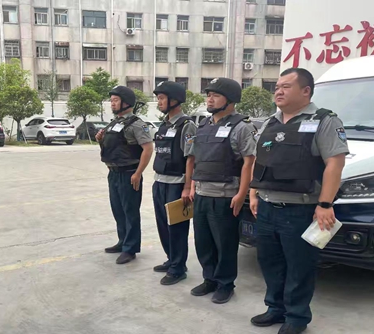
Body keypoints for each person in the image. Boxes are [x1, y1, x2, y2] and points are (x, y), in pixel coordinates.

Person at [249, 68, 348, 334]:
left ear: (306, 91)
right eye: (277, 87)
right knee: (269, 262)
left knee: (299, 266)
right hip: (267, 206)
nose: (278, 91)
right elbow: (260, 160)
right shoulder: (270, 123)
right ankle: (275, 309)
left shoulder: (325, 120)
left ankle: (296, 317)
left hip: (301, 209)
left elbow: (335, 163)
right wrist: (253, 193)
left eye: (286, 86)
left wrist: (325, 203)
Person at [188, 78, 256, 304]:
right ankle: (209, 279)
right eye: (208, 95)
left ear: (231, 100)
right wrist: (191, 186)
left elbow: (249, 162)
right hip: (202, 193)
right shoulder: (203, 125)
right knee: (203, 242)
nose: (209, 99)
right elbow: (197, 159)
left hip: (225, 196)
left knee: (225, 244)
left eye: (215, 95)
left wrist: (241, 194)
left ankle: (226, 284)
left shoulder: (242, 127)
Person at [96, 86, 153, 264]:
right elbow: (113, 147)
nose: (112, 104)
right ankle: (123, 241)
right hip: (113, 173)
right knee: (118, 210)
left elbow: (148, 149)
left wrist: (138, 173)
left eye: (115, 100)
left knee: (130, 212)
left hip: (129, 173)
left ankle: (130, 248)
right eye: (111, 100)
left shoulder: (137, 124)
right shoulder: (114, 123)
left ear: (126, 102)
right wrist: (100, 140)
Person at [151, 81, 197, 285]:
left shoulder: (187, 125)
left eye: (162, 98)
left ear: (175, 100)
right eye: (158, 98)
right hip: (160, 182)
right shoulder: (164, 125)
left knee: (176, 228)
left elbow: (191, 157)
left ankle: (178, 268)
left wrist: (187, 186)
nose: (159, 102)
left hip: (177, 184)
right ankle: (171, 259)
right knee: (163, 225)